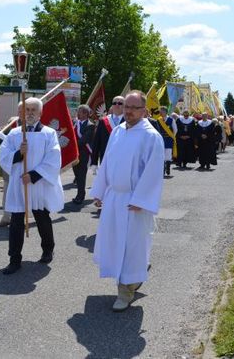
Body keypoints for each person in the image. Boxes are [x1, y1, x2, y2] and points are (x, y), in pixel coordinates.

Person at [90, 91, 164, 312]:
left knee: (131, 246)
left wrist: (141, 198)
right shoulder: (118, 131)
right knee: (114, 241)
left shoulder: (151, 136)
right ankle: (133, 275)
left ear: (144, 110)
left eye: (134, 107)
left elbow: (153, 171)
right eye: (126, 107)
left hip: (134, 201)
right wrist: (100, 190)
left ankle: (126, 291)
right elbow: (107, 162)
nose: (128, 111)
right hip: (114, 198)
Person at [0, 97, 64, 275]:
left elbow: (53, 158)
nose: (29, 113)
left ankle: (47, 249)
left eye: (33, 110)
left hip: (38, 183)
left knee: (42, 218)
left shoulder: (49, 134)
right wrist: (19, 154)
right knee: (16, 222)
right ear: (21, 112)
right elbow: (3, 156)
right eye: (26, 110)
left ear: (41, 113)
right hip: (19, 184)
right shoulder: (14, 134)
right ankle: (14, 259)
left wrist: (34, 175)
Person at [91, 95, 124, 169]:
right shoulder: (103, 121)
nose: (117, 105)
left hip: (123, 159)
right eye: (114, 103)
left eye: (120, 103)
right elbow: (97, 142)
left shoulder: (129, 121)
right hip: (106, 159)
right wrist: (94, 162)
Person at [72, 104, 96, 205]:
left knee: (81, 176)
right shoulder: (74, 123)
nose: (77, 113)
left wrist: (72, 145)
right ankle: (80, 193)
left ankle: (80, 196)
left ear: (86, 113)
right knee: (77, 175)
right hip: (74, 154)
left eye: (80, 112)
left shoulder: (90, 125)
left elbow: (84, 140)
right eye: (77, 111)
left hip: (83, 154)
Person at [153, 106, 177, 176]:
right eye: (160, 111)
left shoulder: (171, 120)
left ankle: (168, 168)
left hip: (169, 139)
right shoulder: (158, 120)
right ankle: (162, 170)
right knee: (161, 155)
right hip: (161, 139)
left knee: (168, 154)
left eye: (162, 111)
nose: (160, 112)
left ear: (165, 112)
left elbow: (175, 129)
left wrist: (172, 136)